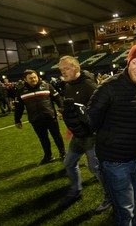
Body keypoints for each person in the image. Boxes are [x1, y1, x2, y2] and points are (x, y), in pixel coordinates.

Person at [63, 44, 136, 225]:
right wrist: (75, 121)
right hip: (115, 162)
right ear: (128, 64)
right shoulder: (109, 86)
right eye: (134, 62)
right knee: (124, 211)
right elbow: (91, 123)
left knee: (135, 203)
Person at [57, 56, 112, 211]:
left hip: (91, 135)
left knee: (95, 168)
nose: (63, 72)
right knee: (69, 163)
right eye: (61, 70)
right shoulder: (68, 86)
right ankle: (76, 191)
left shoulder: (89, 85)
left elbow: (102, 108)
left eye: (66, 68)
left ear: (77, 68)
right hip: (77, 134)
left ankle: (109, 197)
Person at [14, 69, 66, 165]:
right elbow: (19, 107)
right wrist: (17, 120)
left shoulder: (47, 86)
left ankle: (63, 153)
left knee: (57, 136)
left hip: (50, 117)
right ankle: (48, 155)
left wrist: (62, 109)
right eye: (30, 78)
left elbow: (57, 98)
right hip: (36, 119)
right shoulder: (21, 91)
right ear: (25, 79)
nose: (34, 79)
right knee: (43, 138)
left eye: (35, 77)